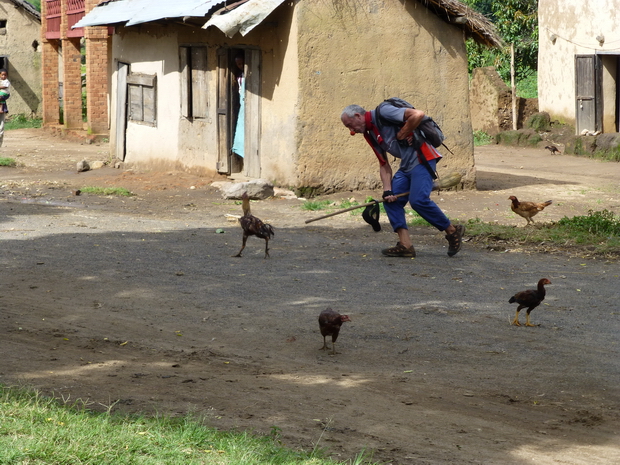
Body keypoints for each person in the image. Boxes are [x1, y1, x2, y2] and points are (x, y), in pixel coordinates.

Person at [341, 101, 465, 257]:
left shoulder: (384, 111)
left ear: (358, 116)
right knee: (390, 202)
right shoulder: (370, 134)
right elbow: (384, 164)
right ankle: (406, 245)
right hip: (406, 166)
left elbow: (418, 114)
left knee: (418, 200)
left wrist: (403, 132)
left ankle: (452, 231)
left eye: (350, 125)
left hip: (423, 159)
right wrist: (387, 190)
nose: (352, 131)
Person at [0, 68, 9, 147]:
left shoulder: (5, 82)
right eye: (2, 75)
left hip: (2, 107)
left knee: (1, 129)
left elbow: (5, 96)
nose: (3, 76)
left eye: (5, 75)